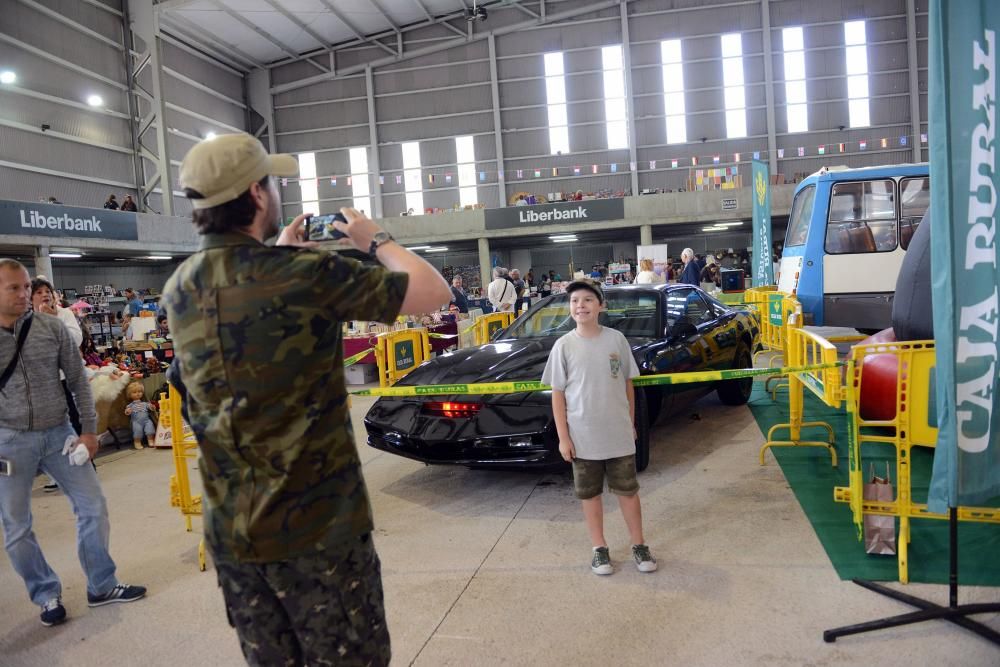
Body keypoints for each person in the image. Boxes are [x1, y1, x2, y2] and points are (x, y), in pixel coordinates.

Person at [161, 132, 450, 666]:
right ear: (256, 194)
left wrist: (278, 258)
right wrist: (374, 238)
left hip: (235, 535)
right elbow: (434, 292)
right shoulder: (305, 275)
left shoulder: (179, 286)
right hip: (317, 533)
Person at [0, 259, 146, 627]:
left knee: (93, 506)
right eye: (13, 288)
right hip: (9, 442)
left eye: (26, 286)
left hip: (60, 436)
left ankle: (101, 584)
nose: (24, 294)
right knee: (16, 527)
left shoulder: (51, 328)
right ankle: (46, 594)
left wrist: (88, 431)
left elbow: (80, 382)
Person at [541, 279, 657, 576]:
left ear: (601, 306)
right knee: (590, 495)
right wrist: (563, 438)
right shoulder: (563, 346)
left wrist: (630, 423)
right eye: (575, 301)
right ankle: (599, 549)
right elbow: (557, 395)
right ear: (570, 308)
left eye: (588, 300)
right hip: (582, 438)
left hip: (617, 435)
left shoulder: (616, 340)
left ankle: (639, 545)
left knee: (628, 492)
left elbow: (628, 385)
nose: (581, 305)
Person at [123, 381, 154, 450]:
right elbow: (127, 411)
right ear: (129, 394)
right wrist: (128, 411)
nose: (137, 394)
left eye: (139, 392)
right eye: (134, 392)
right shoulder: (130, 405)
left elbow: (151, 407)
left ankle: (150, 440)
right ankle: (137, 442)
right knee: (137, 431)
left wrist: (152, 407)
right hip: (136, 422)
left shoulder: (145, 403)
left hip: (147, 420)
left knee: (150, 429)